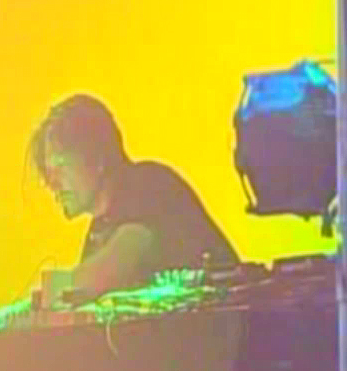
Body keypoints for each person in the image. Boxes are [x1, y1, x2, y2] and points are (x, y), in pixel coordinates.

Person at [28, 94, 238, 305]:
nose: (52, 183)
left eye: (61, 167)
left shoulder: (147, 187)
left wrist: (45, 293)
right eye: (48, 174)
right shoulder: (101, 227)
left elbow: (98, 277)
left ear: (97, 157)